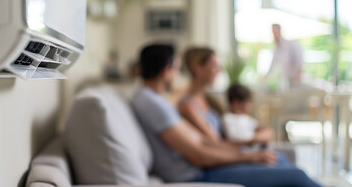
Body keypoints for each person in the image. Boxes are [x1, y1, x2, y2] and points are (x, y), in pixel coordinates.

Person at [132, 43, 322, 187]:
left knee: (284, 164)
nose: (177, 75)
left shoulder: (155, 101)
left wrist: (249, 151)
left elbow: (202, 142)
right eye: (176, 69)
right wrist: (249, 156)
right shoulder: (151, 103)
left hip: (205, 168)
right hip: (198, 174)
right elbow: (199, 155)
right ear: (166, 70)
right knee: (296, 176)